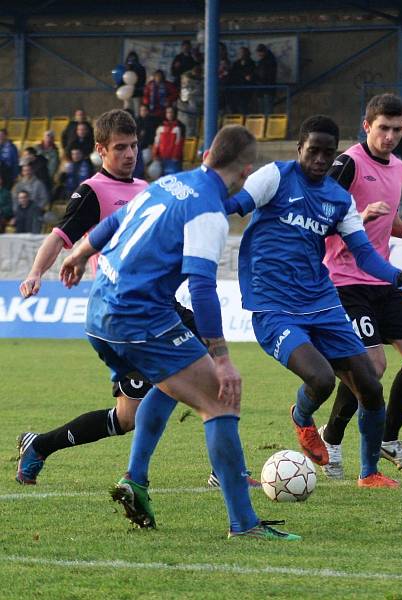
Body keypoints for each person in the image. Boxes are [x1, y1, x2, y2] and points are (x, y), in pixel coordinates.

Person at [57, 125, 296, 541]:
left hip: (98, 312)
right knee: (220, 400)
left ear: (206, 153)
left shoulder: (169, 181)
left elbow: (116, 219)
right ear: (245, 170)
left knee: (170, 385)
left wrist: (79, 253)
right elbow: (202, 287)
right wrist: (222, 360)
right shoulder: (208, 210)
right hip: (138, 317)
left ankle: (136, 479)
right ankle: (244, 524)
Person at [16, 109, 253, 491]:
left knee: (199, 382)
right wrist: (36, 273)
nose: (129, 155)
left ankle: (217, 470)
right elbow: (62, 235)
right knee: (129, 417)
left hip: (160, 308)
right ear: (101, 151)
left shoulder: (153, 186)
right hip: (126, 312)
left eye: (134, 146)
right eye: (120, 148)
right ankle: (44, 445)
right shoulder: (93, 191)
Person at [227, 114, 402, 487]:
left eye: (327, 152)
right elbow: (234, 204)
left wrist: (401, 277)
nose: (321, 159)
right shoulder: (275, 177)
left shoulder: (338, 200)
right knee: (321, 379)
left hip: (321, 302)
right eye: (314, 151)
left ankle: (369, 473)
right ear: (300, 148)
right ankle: (303, 419)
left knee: (370, 384)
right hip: (273, 305)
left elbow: (366, 255)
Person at [320, 94, 402, 478]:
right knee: (372, 364)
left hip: (382, 277)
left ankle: (388, 437)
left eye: (397, 130)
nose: (389, 136)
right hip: (345, 280)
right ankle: (331, 438)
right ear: (366, 126)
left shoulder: (400, 167)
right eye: (382, 128)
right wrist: (358, 216)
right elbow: (318, 213)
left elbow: (387, 215)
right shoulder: (347, 163)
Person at [153, 106, 184, 175]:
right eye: (168, 112)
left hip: (174, 159)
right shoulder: (160, 126)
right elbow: (157, 142)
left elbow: (179, 143)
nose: (169, 114)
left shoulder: (180, 126)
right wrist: (155, 154)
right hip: (162, 157)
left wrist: (176, 156)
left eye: (171, 112)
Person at [228, 46, 255, 114]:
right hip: (236, 90)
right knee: (234, 109)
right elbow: (233, 74)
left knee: (244, 108)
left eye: (242, 53)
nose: (240, 54)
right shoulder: (236, 63)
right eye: (240, 53)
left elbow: (251, 75)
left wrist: (247, 76)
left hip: (246, 91)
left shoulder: (251, 63)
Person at [254, 43, 278, 115]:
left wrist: (257, 78)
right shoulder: (264, 61)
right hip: (263, 88)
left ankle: (266, 125)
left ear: (265, 51)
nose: (259, 54)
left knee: (267, 110)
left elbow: (265, 75)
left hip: (267, 88)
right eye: (258, 52)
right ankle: (264, 125)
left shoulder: (269, 61)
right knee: (263, 110)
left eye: (261, 52)